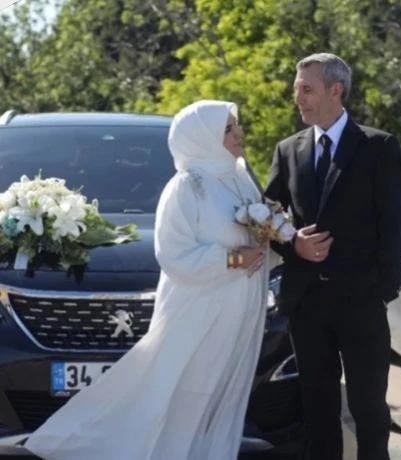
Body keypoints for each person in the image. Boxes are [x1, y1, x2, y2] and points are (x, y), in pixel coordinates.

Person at [24, 100, 275, 460]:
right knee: (185, 397)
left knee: (218, 400)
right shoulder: (186, 188)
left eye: (236, 126)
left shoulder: (240, 179)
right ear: (201, 137)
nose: (240, 133)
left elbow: (258, 236)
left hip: (238, 316)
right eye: (228, 129)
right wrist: (234, 259)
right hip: (199, 316)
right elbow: (173, 255)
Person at [264, 52, 401, 460]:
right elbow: (267, 217)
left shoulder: (379, 146)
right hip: (306, 304)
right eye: (297, 90)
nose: (298, 99)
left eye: (307, 90)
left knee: (369, 411)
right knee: (318, 413)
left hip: (362, 301)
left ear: (335, 90)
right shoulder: (287, 150)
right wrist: (293, 245)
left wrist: (384, 289)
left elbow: (394, 221)